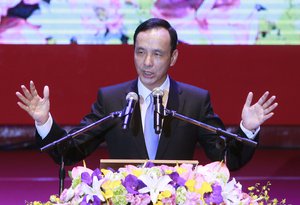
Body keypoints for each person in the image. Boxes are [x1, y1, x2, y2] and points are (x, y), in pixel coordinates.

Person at [16, 18, 278, 171]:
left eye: (157, 54)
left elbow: (226, 160)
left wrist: (247, 129)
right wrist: (44, 122)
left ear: (173, 57)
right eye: (140, 52)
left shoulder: (195, 100)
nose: (147, 63)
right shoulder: (111, 99)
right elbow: (70, 152)